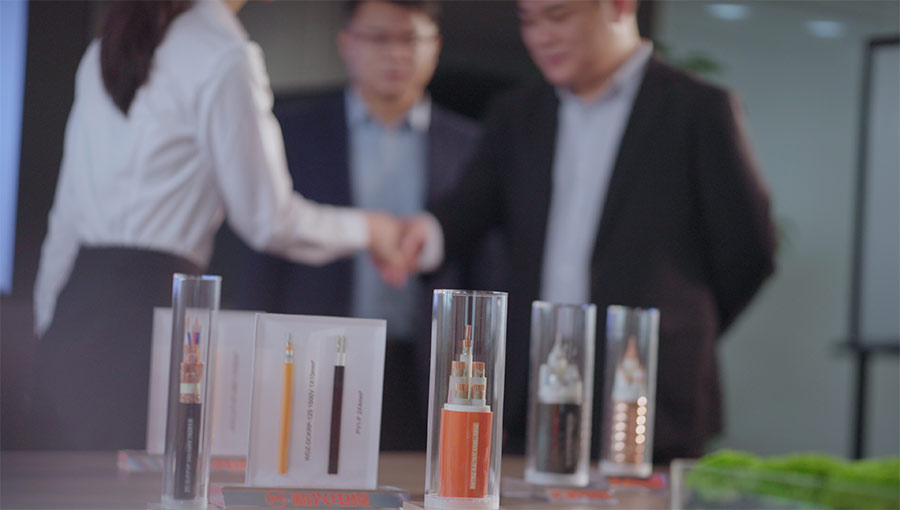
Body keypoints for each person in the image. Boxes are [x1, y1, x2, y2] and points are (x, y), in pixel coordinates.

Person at [30, 0, 418, 450]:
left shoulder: (105, 47)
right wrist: (372, 229)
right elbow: (269, 220)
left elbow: (65, 218)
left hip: (73, 315)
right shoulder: (224, 53)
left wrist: (45, 335)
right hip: (152, 322)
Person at [420, 0, 777, 461]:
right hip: (537, 389)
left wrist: (683, 329)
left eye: (558, 16)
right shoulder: (518, 111)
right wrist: (412, 237)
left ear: (619, 7)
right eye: (529, 21)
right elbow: (465, 214)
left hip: (649, 393)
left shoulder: (697, 108)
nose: (540, 37)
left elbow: (748, 251)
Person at [239, 0, 483, 450]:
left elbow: (484, 266)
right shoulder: (291, 135)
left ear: (435, 46)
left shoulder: (472, 146)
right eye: (378, 37)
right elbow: (264, 257)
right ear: (346, 43)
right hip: (316, 363)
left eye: (410, 39)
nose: (395, 53)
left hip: (425, 371)